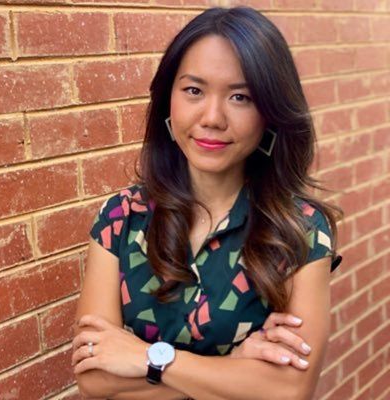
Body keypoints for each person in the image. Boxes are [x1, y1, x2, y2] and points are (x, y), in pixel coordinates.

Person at [71, 6, 343, 400]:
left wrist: (147, 358)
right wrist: (235, 370)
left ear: (270, 112)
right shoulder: (122, 218)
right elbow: (93, 379)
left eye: (240, 96)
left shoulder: (300, 229)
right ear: (169, 99)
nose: (212, 117)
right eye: (194, 91)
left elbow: (289, 390)